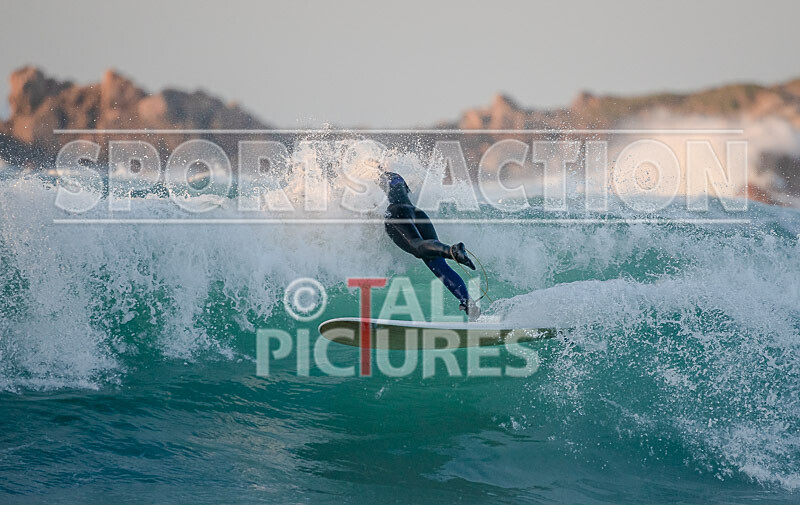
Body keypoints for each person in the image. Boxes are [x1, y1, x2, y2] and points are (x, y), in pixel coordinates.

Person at [379, 171, 481, 321]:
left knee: (416, 247)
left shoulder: (372, 180)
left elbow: (369, 205)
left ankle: (451, 251)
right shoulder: (398, 178)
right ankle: (467, 302)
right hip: (417, 212)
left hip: (395, 212)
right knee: (437, 263)